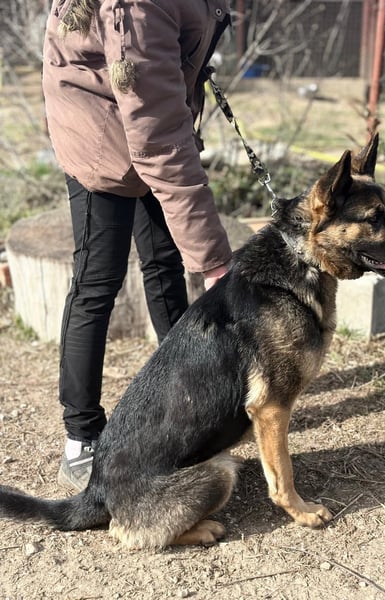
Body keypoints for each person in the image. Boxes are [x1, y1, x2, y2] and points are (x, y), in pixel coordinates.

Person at [42, 0, 233, 492]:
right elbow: (159, 141)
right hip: (99, 133)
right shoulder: (137, 7)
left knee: (165, 264)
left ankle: (190, 402)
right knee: (97, 281)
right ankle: (82, 436)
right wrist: (214, 260)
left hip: (144, 118)